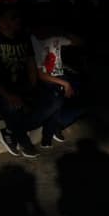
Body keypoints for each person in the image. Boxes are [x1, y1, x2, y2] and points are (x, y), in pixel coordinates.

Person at [0, 1, 62, 159]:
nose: (18, 21)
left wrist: (33, 88)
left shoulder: (23, 38)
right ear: (1, 21)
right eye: (13, 18)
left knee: (54, 101)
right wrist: (7, 94)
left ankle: (10, 131)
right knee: (12, 105)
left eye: (18, 17)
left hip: (21, 86)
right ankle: (24, 142)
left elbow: (30, 64)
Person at [29, 15, 89, 147]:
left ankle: (54, 128)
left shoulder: (53, 36)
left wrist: (62, 32)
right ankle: (32, 129)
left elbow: (79, 42)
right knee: (57, 102)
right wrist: (65, 84)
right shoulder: (33, 42)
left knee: (86, 97)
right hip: (48, 80)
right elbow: (41, 75)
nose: (47, 31)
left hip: (60, 77)